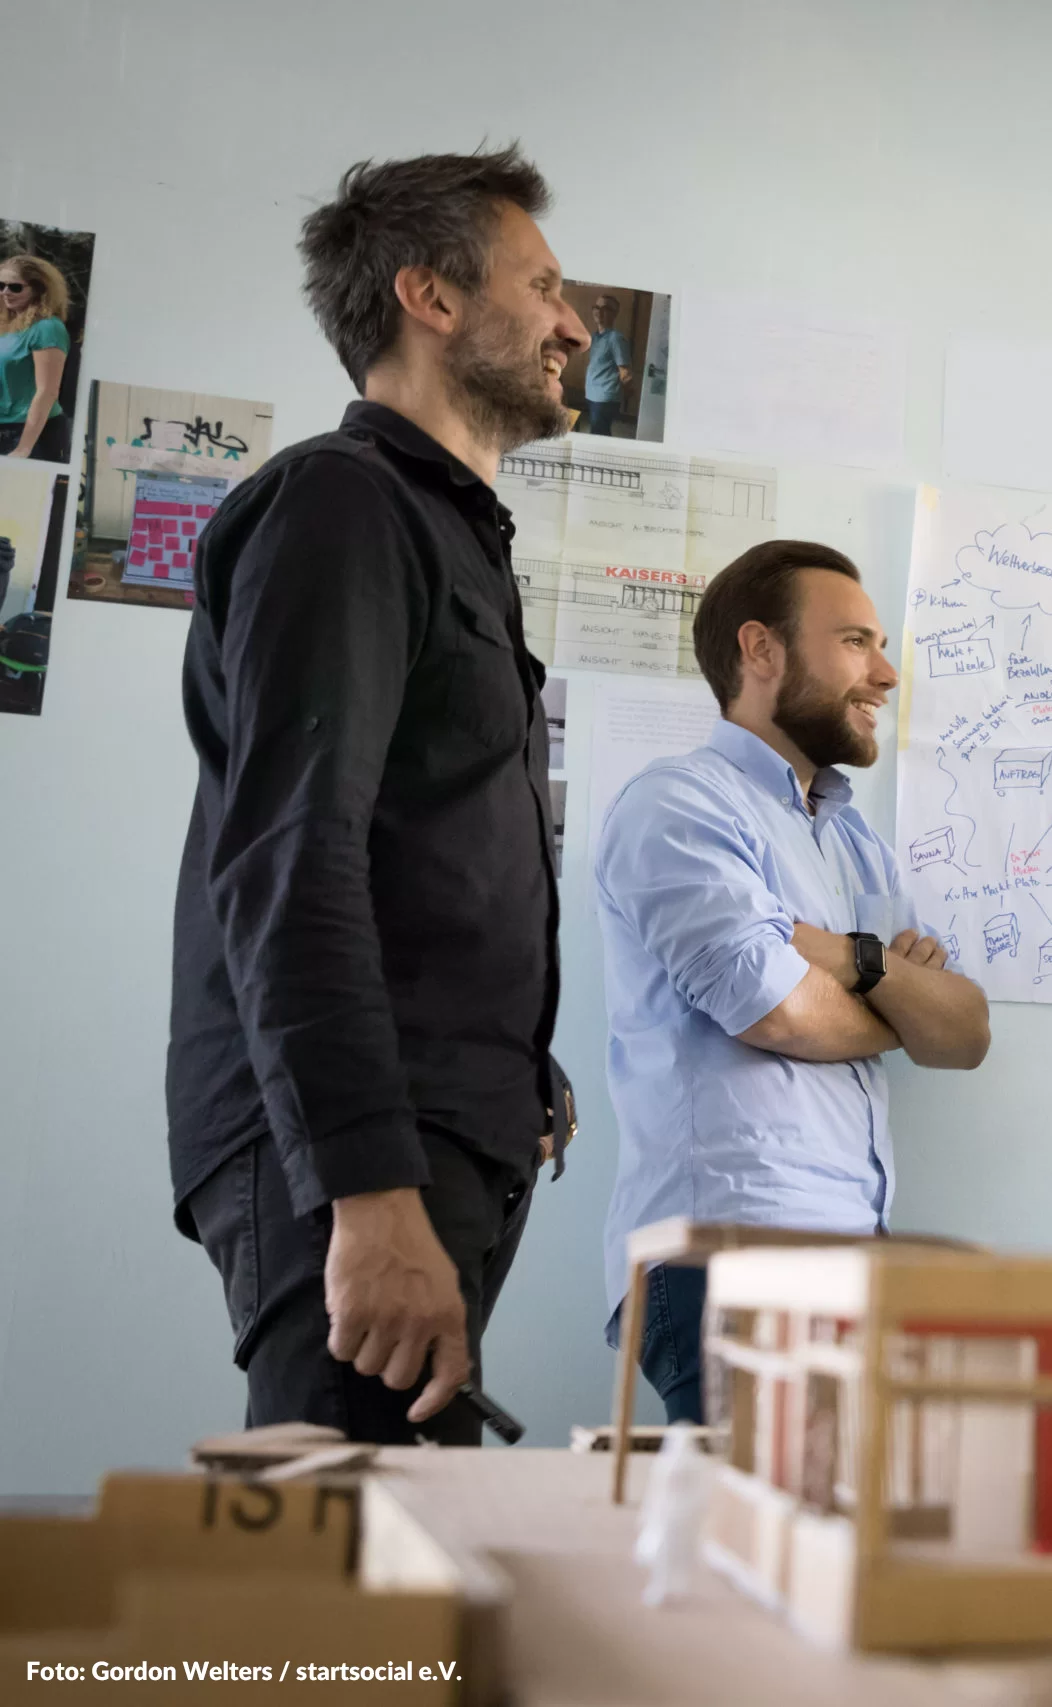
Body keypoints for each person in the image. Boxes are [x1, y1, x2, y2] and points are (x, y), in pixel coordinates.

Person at [167, 146, 590, 1443]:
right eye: (546, 284)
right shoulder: (342, 506)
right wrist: (365, 1187)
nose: (575, 323)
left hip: (432, 1125)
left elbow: (422, 847)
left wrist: (516, 1065)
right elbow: (293, 863)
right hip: (360, 1148)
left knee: (402, 1551)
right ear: (433, 297)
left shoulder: (445, 530)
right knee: (345, 1593)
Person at [595, 539, 991, 1424]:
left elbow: (962, 1033)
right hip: (729, 1259)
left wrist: (852, 959)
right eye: (856, 641)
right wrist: (895, 997)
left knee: (831, 1553)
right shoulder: (677, 804)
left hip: (852, 1260)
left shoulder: (855, 844)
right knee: (749, 1553)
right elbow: (777, 1010)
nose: (886, 674)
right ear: (761, 651)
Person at [0, 254, 74, 464]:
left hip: (29, 434)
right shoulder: (5, 325)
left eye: (15, 287)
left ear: (38, 290)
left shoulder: (47, 328)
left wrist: (24, 448)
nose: (5, 292)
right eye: (1, 285)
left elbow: (47, 391)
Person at [580, 294, 633, 437]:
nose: (599, 311)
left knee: (599, 434)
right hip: (593, 394)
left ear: (615, 313)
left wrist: (624, 395)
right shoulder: (595, 336)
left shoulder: (616, 338)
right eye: (597, 307)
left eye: (605, 308)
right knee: (597, 432)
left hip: (605, 399)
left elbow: (626, 374)